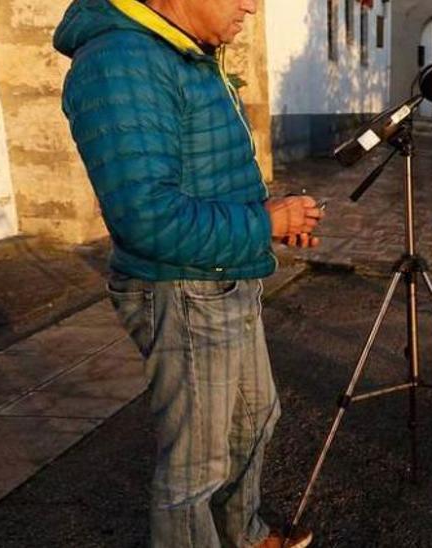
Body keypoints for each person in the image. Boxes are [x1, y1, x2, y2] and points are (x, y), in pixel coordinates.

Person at [55, 1, 321, 546]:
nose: (252, 5)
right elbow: (146, 218)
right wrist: (258, 223)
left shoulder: (179, 52)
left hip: (223, 276)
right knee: (194, 467)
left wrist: (268, 219)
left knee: (254, 420)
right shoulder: (120, 60)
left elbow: (202, 175)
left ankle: (242, 536)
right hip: (182, 288)